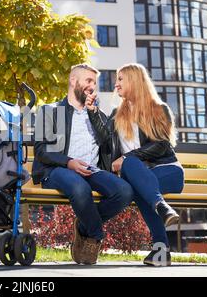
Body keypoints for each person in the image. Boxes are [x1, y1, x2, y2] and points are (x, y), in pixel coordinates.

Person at [32, 63, 134, 265]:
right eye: (88, 81)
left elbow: (107, 142)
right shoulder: (52, 111)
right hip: (57, 169)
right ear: (73, 81)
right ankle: (95, 237)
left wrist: (93, 113)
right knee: (80, 188)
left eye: (94, 83)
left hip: (92, 170)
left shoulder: (98, 114)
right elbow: (42, 150)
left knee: (124, 191)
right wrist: (69, 162)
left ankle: (83, 227)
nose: (92, 86)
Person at [85, 63, 184, 266]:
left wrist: (128, 158)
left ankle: (161, 246)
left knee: (133, 169)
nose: (116, 83)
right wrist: (94, 112)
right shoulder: (117, 113)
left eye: (121, 79)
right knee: (138, 186)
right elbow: (105, 139)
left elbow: (162, 145)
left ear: (135, 81)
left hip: (168, 171)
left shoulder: (159, 109)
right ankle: (161, 213)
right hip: (140, 176)